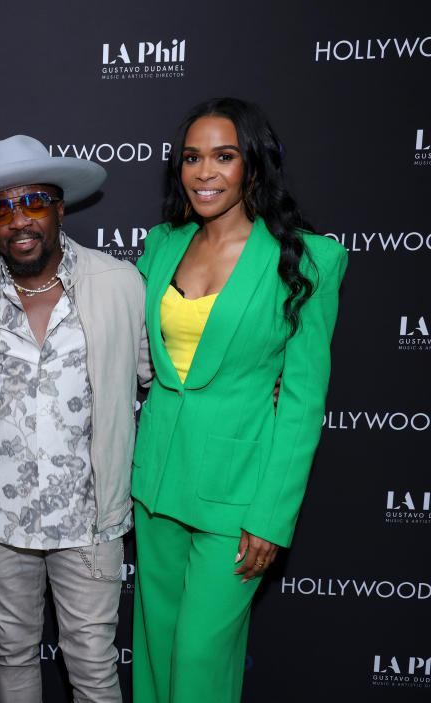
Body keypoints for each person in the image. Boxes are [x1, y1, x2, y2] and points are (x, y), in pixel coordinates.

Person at [130, 97, 348, 703]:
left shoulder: (305, 260)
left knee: (200, 661)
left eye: (223, 157)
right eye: (191, 158)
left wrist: (272, 516)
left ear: (253, 164)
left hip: (240, 495)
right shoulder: (162, 245)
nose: (204, 173)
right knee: (154, 652)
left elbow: (303, 401)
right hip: (156, 482)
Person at [0, 134, 152, 703]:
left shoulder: (122, 285)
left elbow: (162, 380)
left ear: (59, 206)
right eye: (0, 208)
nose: (18, 219)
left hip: (91, 523)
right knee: (10, 654)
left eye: (32, 201)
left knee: (93, 666)